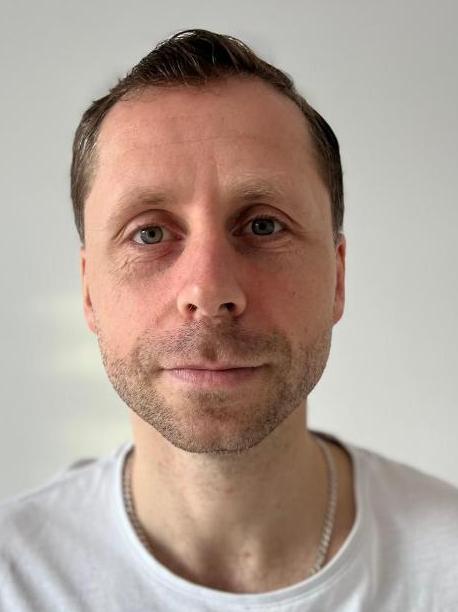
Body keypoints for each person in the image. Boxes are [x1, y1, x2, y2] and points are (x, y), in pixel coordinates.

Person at [1, 28, 457, 611]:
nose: (209, 291)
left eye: (263, 225)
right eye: (149, 233)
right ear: (89, 290)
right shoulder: (16, 580)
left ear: (337, 278)